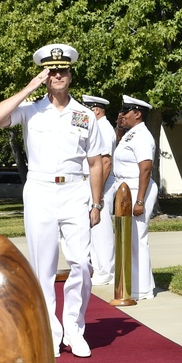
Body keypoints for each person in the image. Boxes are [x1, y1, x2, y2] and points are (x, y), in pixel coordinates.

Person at [0, 44, 106, 358]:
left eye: (63, 71)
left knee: (82, 262)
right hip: (40, 189)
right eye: (52, 71)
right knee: (43, 266)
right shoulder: (30, 109)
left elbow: (95, 162)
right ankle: (50, 332)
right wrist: (30, 86)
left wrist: (96, 203)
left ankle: (74, 329)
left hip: (74, 191)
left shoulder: (83, 115)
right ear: (45, 74)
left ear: (70, 75)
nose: (57, 76)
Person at [112, 95, 158, 300]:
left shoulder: (142, 136)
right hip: (125, 187)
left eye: (125, 111)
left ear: (137, 114)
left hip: (137, 187)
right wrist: (120, 127)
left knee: (137, 237)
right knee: (127, 238)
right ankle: (132, 282)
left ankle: (143, 288)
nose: (121, 115)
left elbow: (145, 169)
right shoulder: (131, 134)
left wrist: (140, 201)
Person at [82, 95, 117, 286]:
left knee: (101, 230)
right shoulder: (97, 126)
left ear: (96, 110)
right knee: (94, 229)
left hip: (101, 185)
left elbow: (105, 162)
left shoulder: (103, 128)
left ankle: (106, 272)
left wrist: (98, 192)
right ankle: (98, 268)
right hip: (93, 184)